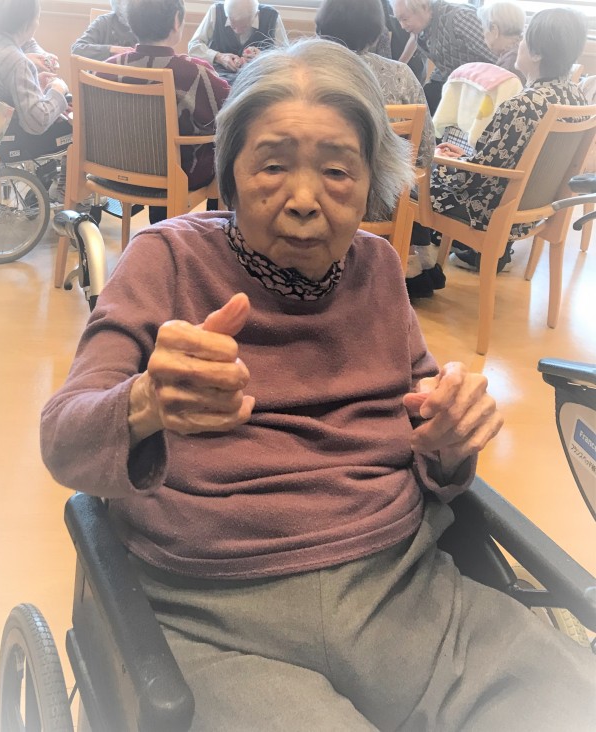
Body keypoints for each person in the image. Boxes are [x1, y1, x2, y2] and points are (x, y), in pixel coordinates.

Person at [41, 38, 596, 732]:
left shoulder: (378, 269)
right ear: (232, 171)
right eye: (273, 165)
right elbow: (64, 440)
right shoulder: (166, 261)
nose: (304, 200)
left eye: (337, 170)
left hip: (403, 592)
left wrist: (453, 438)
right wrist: (145, 403)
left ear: (370, 181)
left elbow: (431, 442)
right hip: (217, 613)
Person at [431, 8, 588, 273]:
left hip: (493, 213)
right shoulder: (577, 98)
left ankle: (418, 270)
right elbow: (506, 161)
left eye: (524, 37)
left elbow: (479, 177)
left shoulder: (523, 105)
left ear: (537, 53)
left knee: (418, 177)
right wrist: (464, 157)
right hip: (542, 207)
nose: (520, 43)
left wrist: (444, 162)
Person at [315, 0, 441, 298]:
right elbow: (424, 152)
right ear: (375, 34)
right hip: (384, 200)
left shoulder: (304, 70)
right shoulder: (401, 75)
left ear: (321, 26)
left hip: (318, 195)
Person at [102, 0, 230, 224]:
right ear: (176, 21)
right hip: (177, 176)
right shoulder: (194, 73)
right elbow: (230, 112)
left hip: (115, 171)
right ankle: (214, 228)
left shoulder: (108, 68)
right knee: (226, 148)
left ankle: (159, 227)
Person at [0, 0, 70, 170]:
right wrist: (58, 90)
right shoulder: (18, 62)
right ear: (28, 24)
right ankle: (63, 181)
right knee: (71, 126)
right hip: (8, 137)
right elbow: (36, 123)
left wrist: (35, 83)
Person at [392, 0, 496, 114]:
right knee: (421, 104)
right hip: (454, 83)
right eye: (399, 20)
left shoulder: (459, 18)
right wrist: (398, 67)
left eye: (405, 19)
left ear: (424, 7)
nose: (402, 26)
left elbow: (496, 57)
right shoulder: (422, 26)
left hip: (482, 87)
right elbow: (415, 40)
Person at [187, 0, 288, 83]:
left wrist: (262, 58)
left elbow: (286, 58)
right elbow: (194, 46)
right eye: (233, 25)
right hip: (218, 80)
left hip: (256, 83)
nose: (238, 31)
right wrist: (218, 57)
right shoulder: (216, 11)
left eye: (244, 26)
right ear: (227, 14)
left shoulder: (272, 17)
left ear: (256, 15)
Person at [71, 0, 137, 62]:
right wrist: (112, 49)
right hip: (105, 69)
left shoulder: (142, 23)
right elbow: (77, 49)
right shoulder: (104, 22)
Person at [478, 1, 526, 82]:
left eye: (484, 29)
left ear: (494, 30)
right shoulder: (520, 50)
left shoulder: (510, 63)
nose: (483, 34)